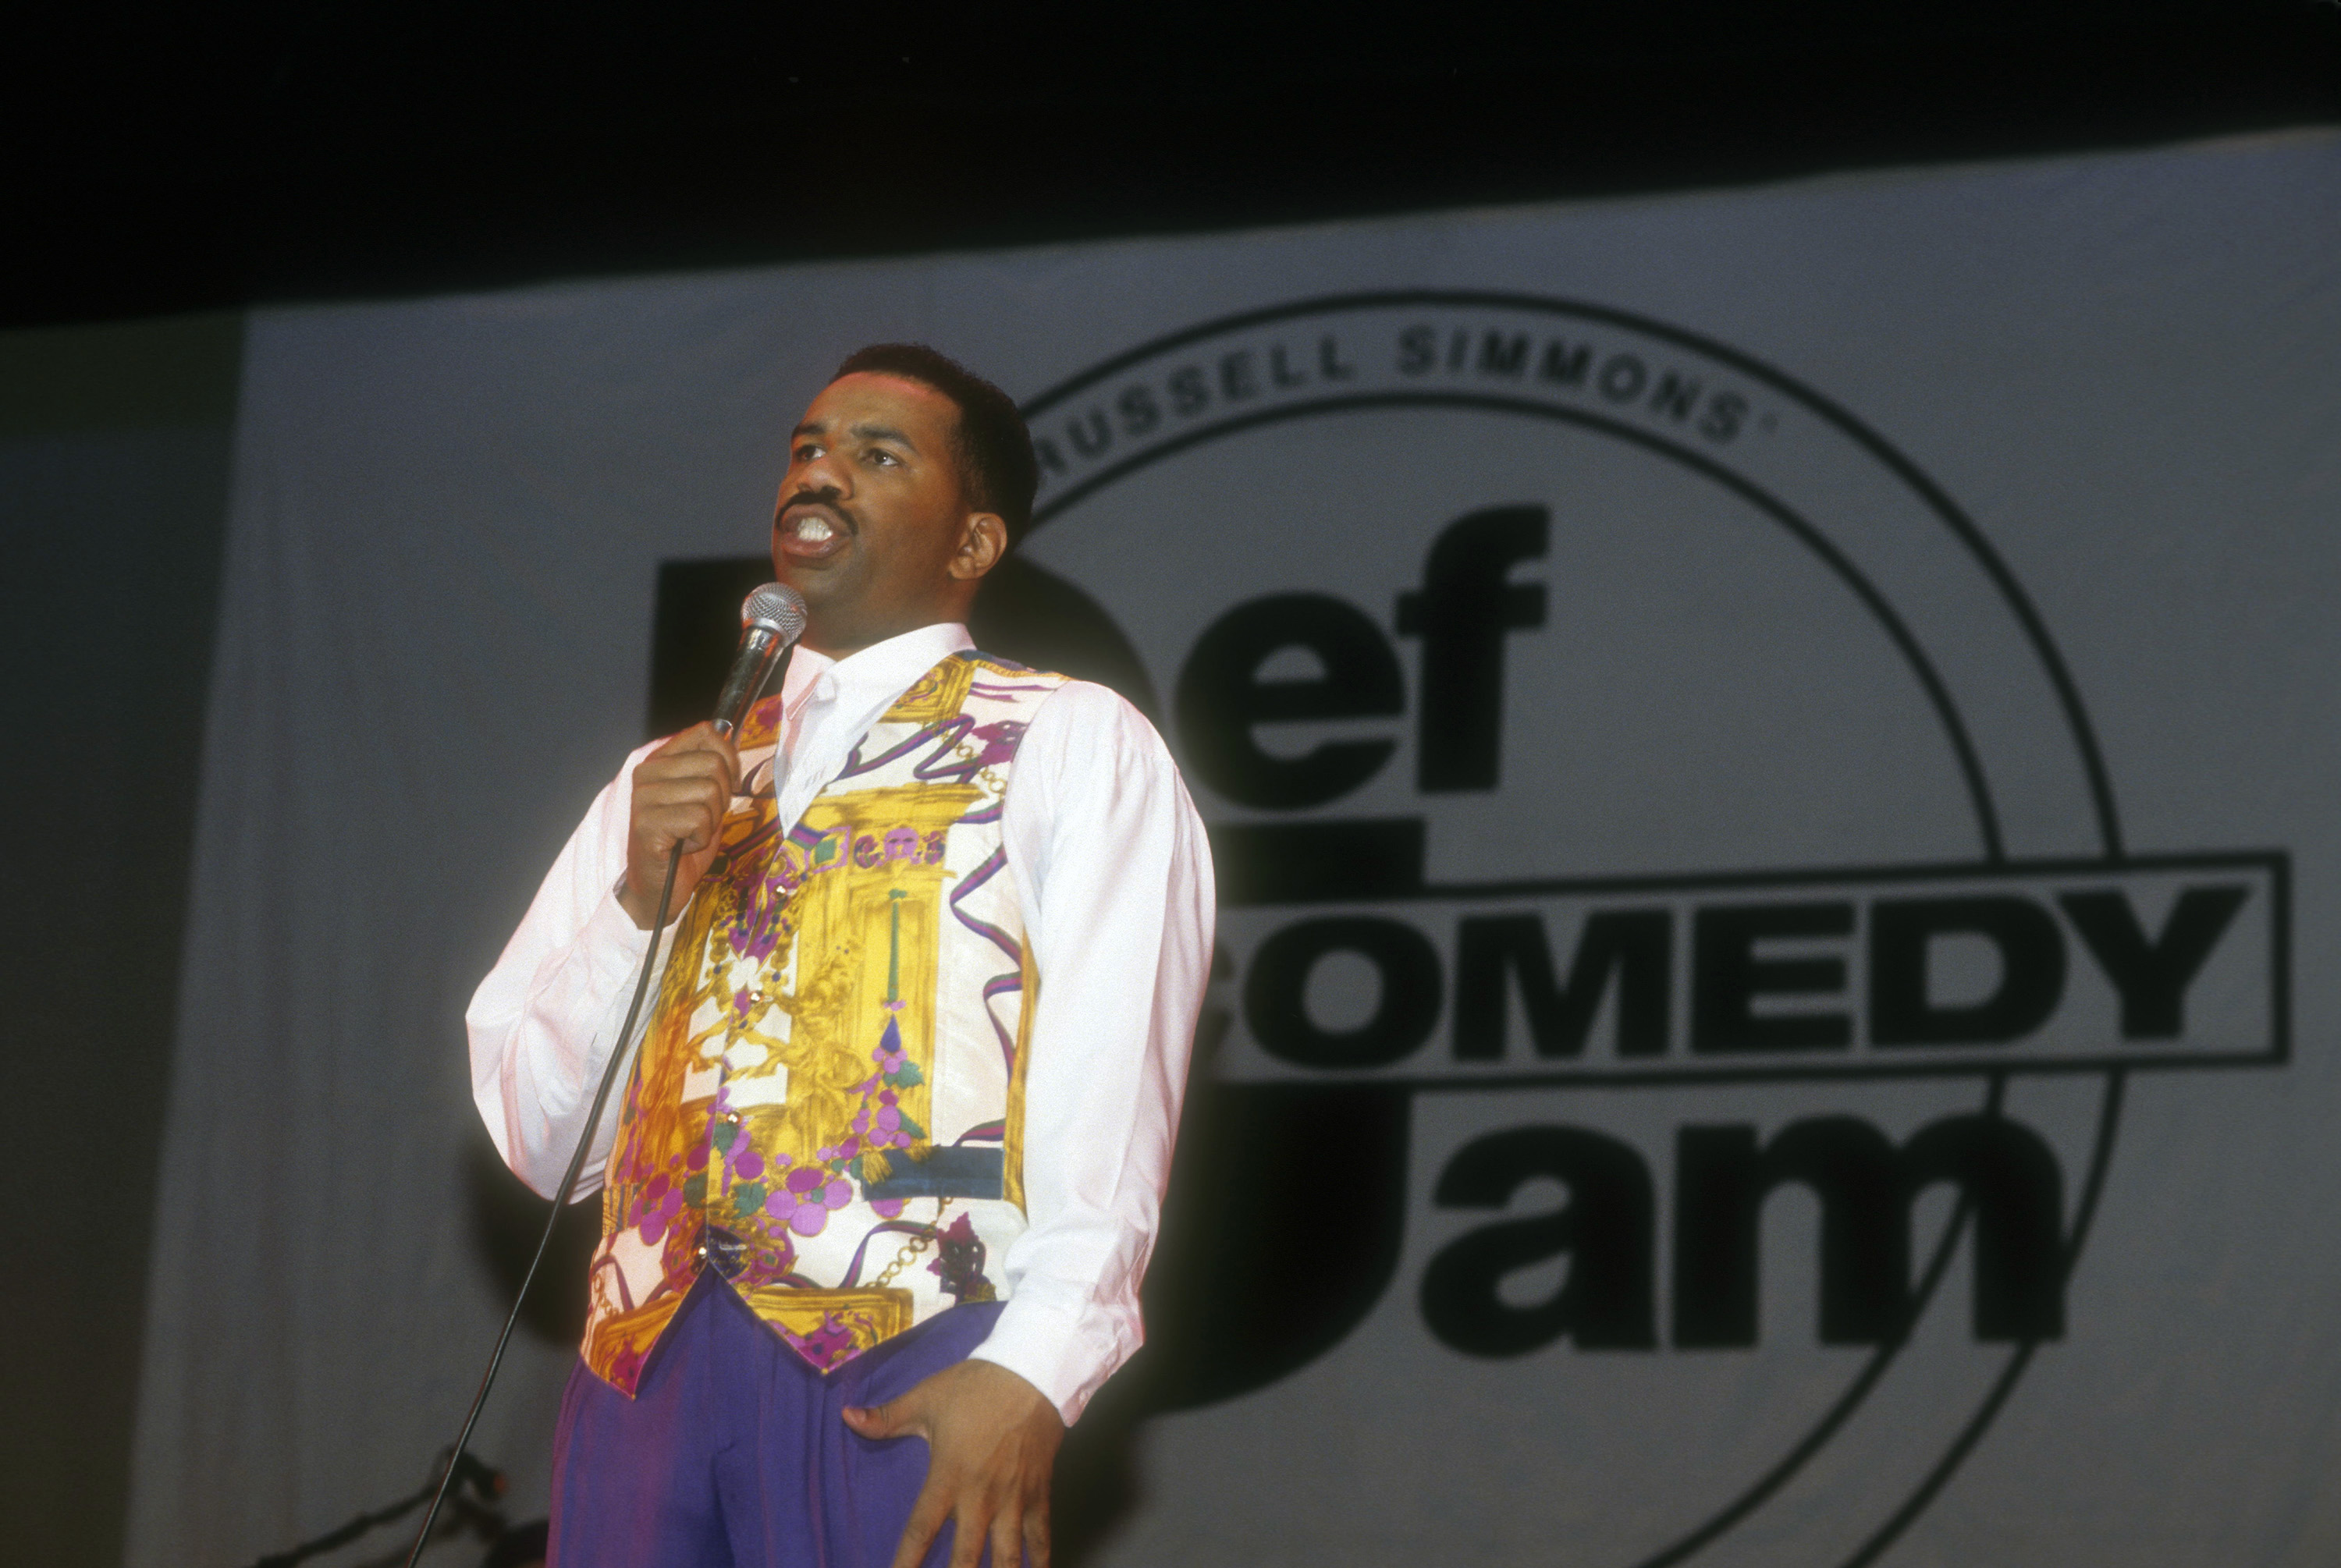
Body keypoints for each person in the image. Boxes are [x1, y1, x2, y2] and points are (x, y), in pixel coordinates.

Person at [467, 344, 1214, 1568]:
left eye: (878, 455)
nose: (820, 475)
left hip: (907, 1356)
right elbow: (546, 1144)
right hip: (639, 1378)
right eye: (808, 447)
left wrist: (1034, 1371)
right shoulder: (669, 780)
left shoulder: (1073, 742)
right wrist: (637, 907)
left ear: (973, 544)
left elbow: (1113, 1091)